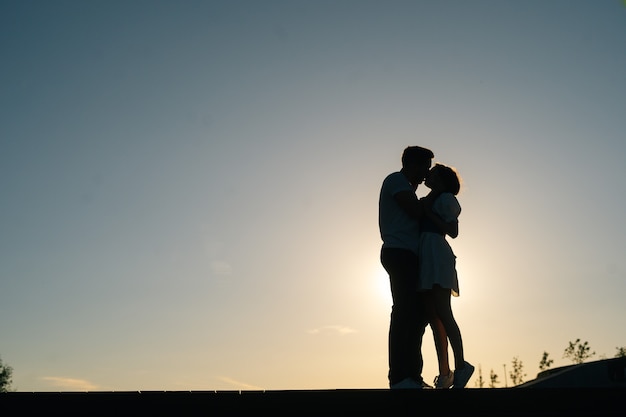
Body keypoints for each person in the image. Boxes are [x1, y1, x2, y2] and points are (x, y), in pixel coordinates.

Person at [379, 145, 434, 389]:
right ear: (412, 164)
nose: (426, 174)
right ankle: (400, 377)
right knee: (404, 313)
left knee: (418, 315)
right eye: (425, 168)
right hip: (398, 253)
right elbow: (414, 211)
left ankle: (413, 375)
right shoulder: (395, 181)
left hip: (410, 255)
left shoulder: (408, 187)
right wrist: (436, 194)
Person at [417, 163, 474, 389]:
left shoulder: (446, 199)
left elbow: (453, 231)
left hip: (437, 254)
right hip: (427, 254)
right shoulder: (432, 198)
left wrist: (429, 213)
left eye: (432, 173)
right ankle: (445, 372)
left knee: (443, 311)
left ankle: (461, 365)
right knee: (434, 316)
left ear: (440, 179)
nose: (427, 175)